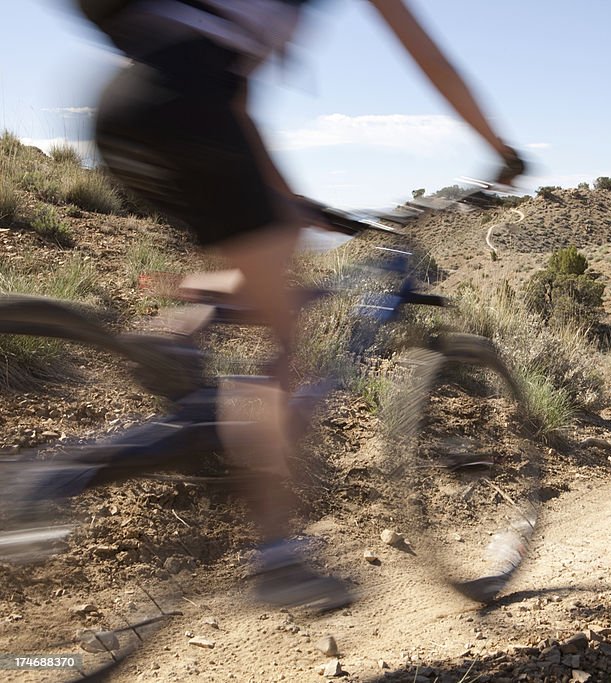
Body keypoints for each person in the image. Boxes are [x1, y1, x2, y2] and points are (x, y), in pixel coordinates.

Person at [82, 0, 525, 609]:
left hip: (124, 109)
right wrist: (500, 150)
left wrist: (282, 197)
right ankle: (277, 557)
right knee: (289, 340)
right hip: (191, 104)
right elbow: (432, 60)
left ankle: (177, 335)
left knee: (269, 279)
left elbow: (228, 97)